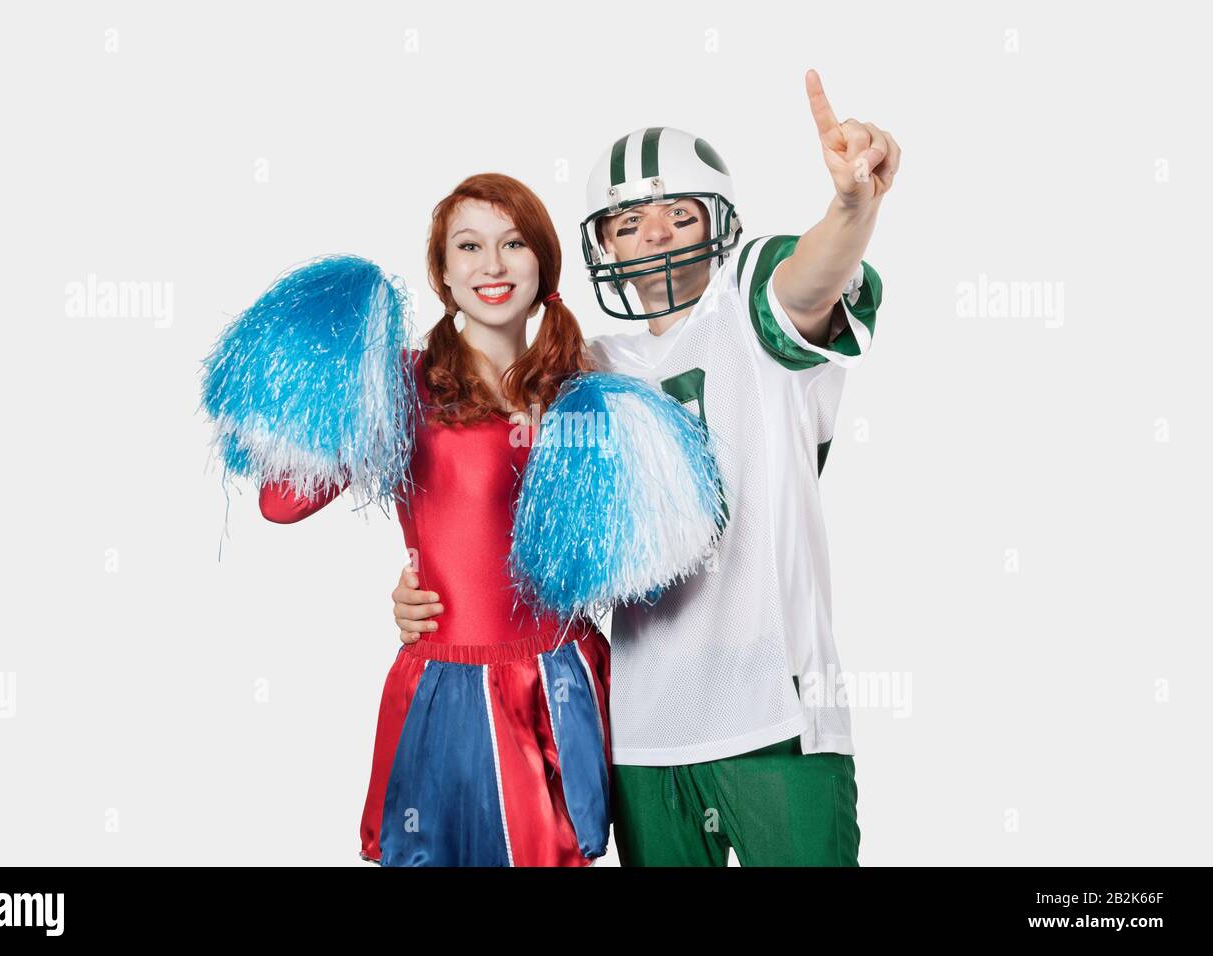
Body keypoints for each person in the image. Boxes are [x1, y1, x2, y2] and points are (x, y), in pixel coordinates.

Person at [390, 70, 900, 866]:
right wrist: (428, 587)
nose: (656, 234)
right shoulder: (579, 371)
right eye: (630, 222)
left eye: (678, 214)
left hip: (775, 717)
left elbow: (809, 279)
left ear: (719, 225)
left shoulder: (750, 300)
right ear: (601, 244)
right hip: (639, 728)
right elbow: (484, 497)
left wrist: (851, 207)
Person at [259, 173, 611, 867]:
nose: (492, 265)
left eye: (513, 243)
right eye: (469, 246)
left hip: (565, 677)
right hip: (452, 685)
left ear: (543, 263)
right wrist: (329, 374)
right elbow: (281, 502)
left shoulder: (581, 390)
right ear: (443, 275)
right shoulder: (400, 384)